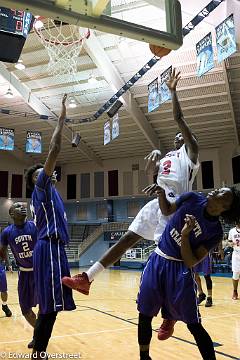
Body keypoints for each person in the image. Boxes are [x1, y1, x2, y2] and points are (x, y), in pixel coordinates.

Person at [62, 68, 199, 297]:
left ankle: (177, 304)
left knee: (167, 255)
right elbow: (150, 176)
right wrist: (151, 163)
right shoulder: (168, 157)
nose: (179, 135)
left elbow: (179, 119)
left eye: (183, 135)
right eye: (176, 135)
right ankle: (87, 277)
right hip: (157, 202)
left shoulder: (191, 156)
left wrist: (173, 92)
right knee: (128, 237)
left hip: (175, 208)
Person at [137, 184, 240, 360]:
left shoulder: (215, 232)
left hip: (180, 270)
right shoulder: (192, 197)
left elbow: (191, 261)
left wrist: (185, 236)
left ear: (226, 207)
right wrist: (161, 194)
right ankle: (144, 357)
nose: (217, 190)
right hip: (158, 259)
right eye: (220, 188)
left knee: (193, 324)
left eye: (223, 193)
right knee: (145, 313)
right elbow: (167, 210)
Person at [25, 94, 76, 360]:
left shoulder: (52, 194)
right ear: (37, 181)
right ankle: (41, 350)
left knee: (49, 301)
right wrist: (62, 118)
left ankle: (36, 341)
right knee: (52, 306)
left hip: (50, 249)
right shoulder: (42, 189)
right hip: (51, 248)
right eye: (39, 174)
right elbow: (54, 149)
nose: (45, 173)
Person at [0, 202, 37, 348]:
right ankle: (39, 333)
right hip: (24, 273)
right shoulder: (7, 232)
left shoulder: (35, 225)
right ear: (11, 213)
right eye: (17, 206)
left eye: (23, 206)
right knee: (25, 309)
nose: (22, 207)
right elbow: (2, 253)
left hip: (41, 271)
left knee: (46, 308)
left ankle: (40, 337)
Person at [228, 222, 240, 300]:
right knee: (235, 275)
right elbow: (229, 241)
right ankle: (235, 291)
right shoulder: (232, 231)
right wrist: (230, 244)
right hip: (236, 254)